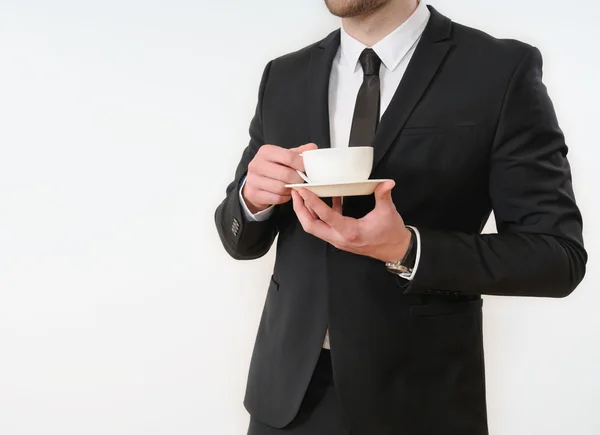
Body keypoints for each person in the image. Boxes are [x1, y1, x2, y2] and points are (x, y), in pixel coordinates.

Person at [214, 1, 587, 434]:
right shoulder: (284, 76)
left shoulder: (499, 69)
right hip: (289, 399)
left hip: (420, 400)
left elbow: (557, 258)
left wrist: (407, 249)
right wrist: (251, 201)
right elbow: (238, 238)